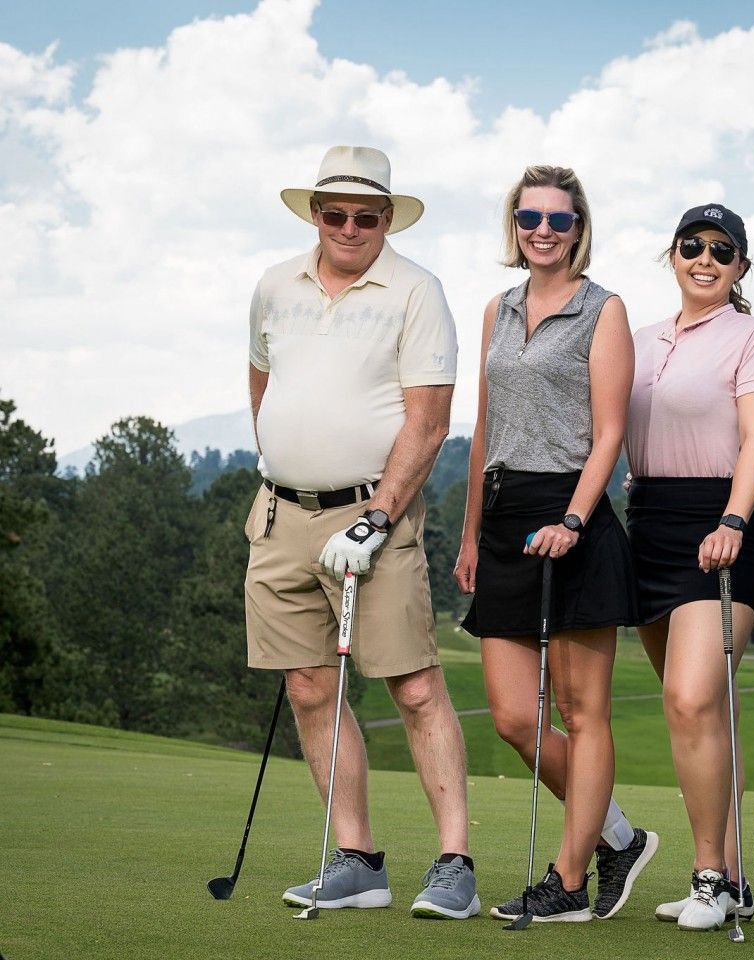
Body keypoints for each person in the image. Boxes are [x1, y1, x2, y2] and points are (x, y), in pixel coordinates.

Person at [246, 145, 478, 918]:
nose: (349, 227)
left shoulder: (416, 290)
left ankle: (454, 864)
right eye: (335, 213)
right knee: (308, 686)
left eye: (366, 216)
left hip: (371, 517)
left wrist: (378, 513)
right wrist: (286, 457)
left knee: (413, 686)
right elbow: (262, 381)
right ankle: (356, 861)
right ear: (315, 213)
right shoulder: (275, 285)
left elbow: (430, 418)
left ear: (386, 219)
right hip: (279, 515)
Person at [453, 164, 656, 922]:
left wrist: (572, 520)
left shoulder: (604, 311)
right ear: (514, 225)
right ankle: (619, 837)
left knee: (580, 711)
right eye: (530, 218)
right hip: (505, 517)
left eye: (558, 220)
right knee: (512, 718)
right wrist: (472, 530)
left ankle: (568, 881)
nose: (542, 230)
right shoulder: (496, 310)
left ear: (579, 229)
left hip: (569, 512)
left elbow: (610, 432)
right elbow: (484, 430)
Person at [626, 205, 754, 930]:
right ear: (672, 254)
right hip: (648, 526)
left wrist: (733, 517)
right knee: (704, 712)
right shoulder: (633, 340)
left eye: (721, 251)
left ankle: (709, 876)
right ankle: (733, 878)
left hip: (721, 525)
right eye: (692, 245)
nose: (704, 258)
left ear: (740, 267)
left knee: (692, 701)